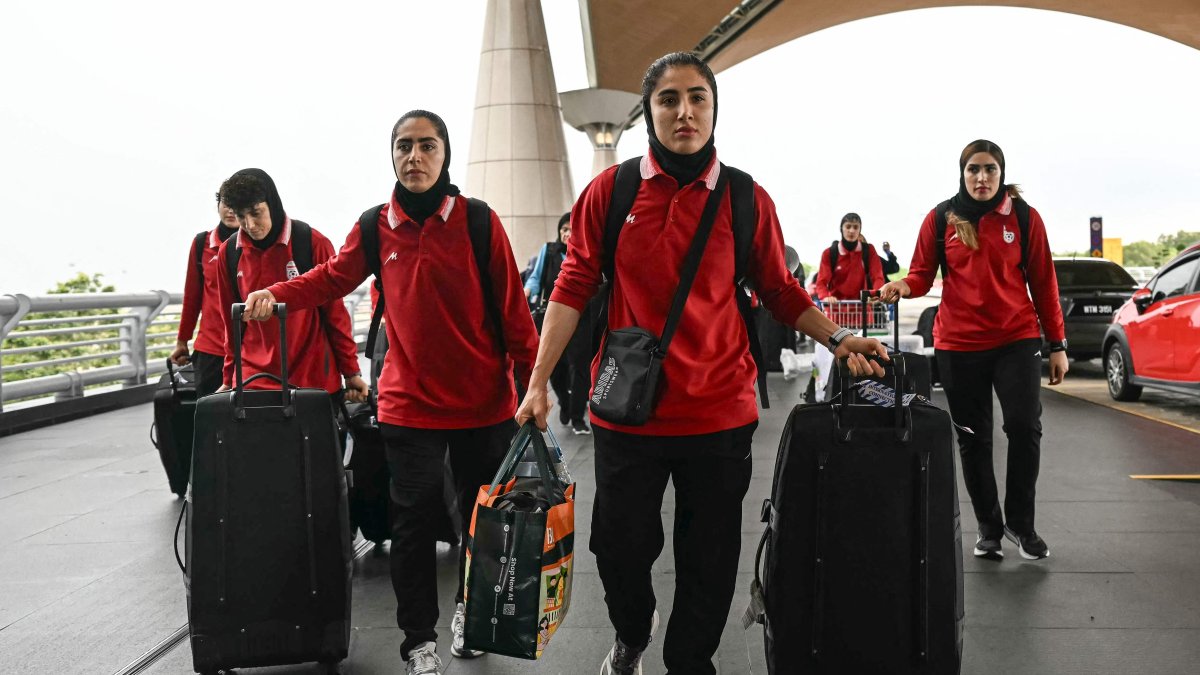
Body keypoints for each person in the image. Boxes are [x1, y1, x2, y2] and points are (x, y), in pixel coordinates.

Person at [514, 52, 885, 675]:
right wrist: (538, 381)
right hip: (629, 410)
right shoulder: (612, 191)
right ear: (648, 111)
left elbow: (780, 289)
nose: (684, 112)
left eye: (697, 98)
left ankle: (690, 661)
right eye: (667, 99)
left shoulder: (744, 197)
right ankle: (633, 631)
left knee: (708, 559)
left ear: (714, 109)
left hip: (719, 410)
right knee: (618, 547)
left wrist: (837, 337)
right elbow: (573, 286)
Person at [242, 111, 538, 675]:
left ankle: (468, 614)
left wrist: (534, 386)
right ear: (393, 156)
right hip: (408, 405)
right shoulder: (377, 226)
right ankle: (418, 642)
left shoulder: (478, 221)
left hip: (484, 403)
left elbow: (513, 312)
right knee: (413, 524)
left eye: (428, 146)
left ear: (445, 155)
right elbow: (333, 277)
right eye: (405, 146)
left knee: (484, 523)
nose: (415, 156)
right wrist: (277, 292)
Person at [879, 139, 1067, 562]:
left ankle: (1021, 523)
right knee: (973, 438)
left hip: (1015, 340)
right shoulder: (941, 218)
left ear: (1001, 174)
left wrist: (1057, 344)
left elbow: (1044, 281)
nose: (982, 178)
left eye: (990, 170)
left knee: (1024, 427)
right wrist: (902, 286)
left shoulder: (1023, 217)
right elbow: (922, 275)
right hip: (959, 345)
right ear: (962, 174)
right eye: (973, 170)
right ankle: (989, 528)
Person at [213, 168, 367, 404]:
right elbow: (229, 320)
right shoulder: (229, 253)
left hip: (312, 378)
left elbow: (335, 315)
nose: (250, 225)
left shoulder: (311, 242)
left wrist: (351, 372)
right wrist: (229, 377)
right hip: (254, 380)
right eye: (241, 217)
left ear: (272, 204)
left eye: (256, 213)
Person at [524, 212, 594, 434]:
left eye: (572, 229)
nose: (567, 233)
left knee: (579, 367)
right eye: (564, 229)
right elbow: (535, 277)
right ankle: (565, 401)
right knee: (557, 369)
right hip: (552, 317)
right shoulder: (550, 250)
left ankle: (577, 418)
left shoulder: (587, 253)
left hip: (583, 319)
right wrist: (526, 293)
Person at [809, 213, 886, 401]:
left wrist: (875, 293)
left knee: (863, 361)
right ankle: (828, 395)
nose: (851, 231)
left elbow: (878, 277)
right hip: (837, 318)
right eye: (848, 227)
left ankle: (862, 398)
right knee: (833, 360)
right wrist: (827, 296)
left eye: (855, 227)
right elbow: (821, 282)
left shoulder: (869, 251)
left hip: (862, 317)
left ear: (860, 230)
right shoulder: (830, 253)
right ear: (841, 229)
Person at [171, 192, 240, 396]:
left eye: (236, 205)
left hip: (250, 351)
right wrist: (182, 341)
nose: (230, 210)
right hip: (211, 350)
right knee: (210, 419)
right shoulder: (202, 243)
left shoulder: (258, 245)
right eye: (225, 203)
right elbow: (192, 297)